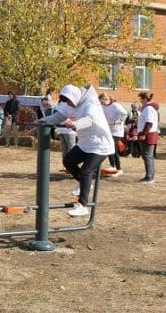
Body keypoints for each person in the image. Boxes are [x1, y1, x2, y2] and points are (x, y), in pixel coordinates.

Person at [38, 84, 114, 217]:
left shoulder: (91, 102)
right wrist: (41, 121)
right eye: (66, 102)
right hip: (85, 143)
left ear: (75, 97)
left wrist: (75, 124)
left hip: (100, 145)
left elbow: (91, 119)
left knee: (86, 171)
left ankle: (82, 205)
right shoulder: (69, 105)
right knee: (68, 161)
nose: (69, 105)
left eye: (69, 101)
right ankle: (85, 184)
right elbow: (57, 118)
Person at [99, 92, 128, 175]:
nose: (102, 103)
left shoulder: (116, 105)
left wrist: (120, 120)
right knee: (111, 149)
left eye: (102, 101)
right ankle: (114, 167)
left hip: (117, 131)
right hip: (109, 130)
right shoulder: (102, 106)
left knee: (111, 148)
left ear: (106, 99)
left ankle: (117, 168)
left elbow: (124, 113)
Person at [136, 91, 160, 183]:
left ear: (145, 99)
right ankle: (150, 175)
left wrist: (143, 134)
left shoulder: (148, 108)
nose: (140, 101)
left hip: (148, 134)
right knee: (148, 156)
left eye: (141, 99)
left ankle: (149, 176)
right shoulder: (149, 108)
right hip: (149, 133)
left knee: (147, 156)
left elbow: (149, 122)